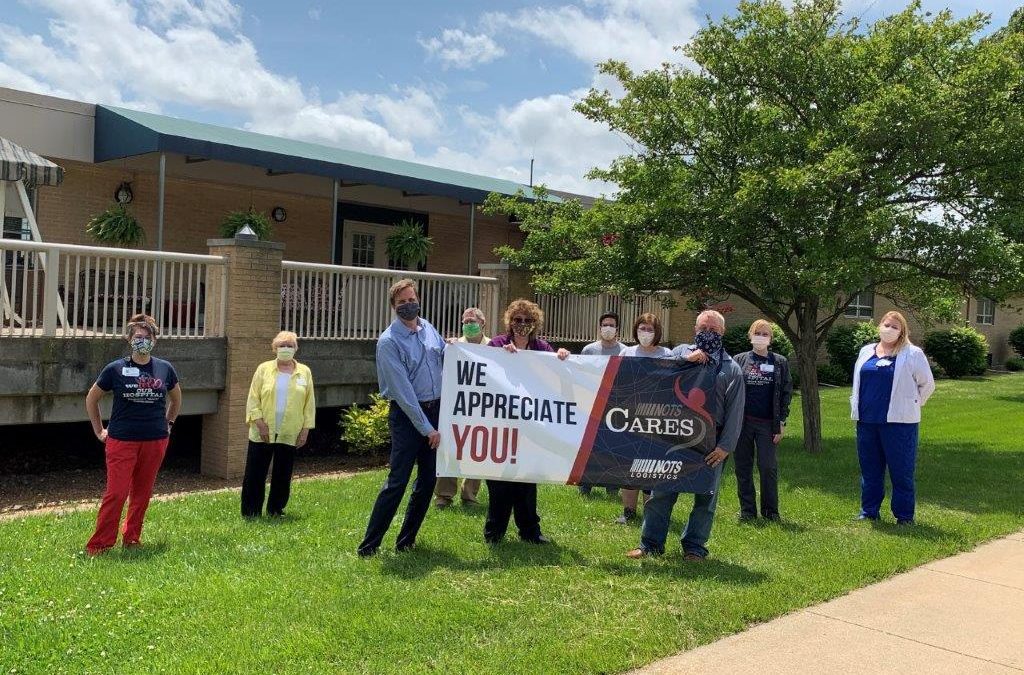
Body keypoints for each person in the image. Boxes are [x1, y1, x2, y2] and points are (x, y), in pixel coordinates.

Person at [627, 309, 744, 561]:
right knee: (661, 493)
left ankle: (694, 547)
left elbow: (736, 411)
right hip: (674, 438)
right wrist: (685, 363)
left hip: (710, 445)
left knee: (705, 499)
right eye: (703, 329)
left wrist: (725, 447)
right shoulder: (678, 353)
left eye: (713, 330)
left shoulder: (731, 368)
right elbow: (658, 380)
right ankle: (650, 545)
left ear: (722, 333)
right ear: (695, 330)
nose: (708, 334)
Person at [358, 279, 445, 556]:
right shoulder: (388, 342)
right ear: (394, 307)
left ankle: (406, 541)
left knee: (428, 481)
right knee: (398, 481)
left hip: (436, 410)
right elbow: (403, 393)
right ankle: (369, 546)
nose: (409, 305)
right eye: (402, 302)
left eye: (412, 299)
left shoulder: (429, 328)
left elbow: (447, 357)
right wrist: (427, 428)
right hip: (408, 417)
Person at [84, 314, 181, 556]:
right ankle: (100, 544)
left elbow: (176, 399)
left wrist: (168, 423)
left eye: (148, 337)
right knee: (116, 493)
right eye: (138, 337)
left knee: (142, 493)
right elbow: (92, 399)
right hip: (121, 440)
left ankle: (132, 537)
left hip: (155, 440)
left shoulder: (165, 369)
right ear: (129, 339)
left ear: (155, 341)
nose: (143, 341)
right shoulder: (116, 369)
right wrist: (98, 430)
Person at [485, 298, 570, 544]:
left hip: (531, 425)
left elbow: (558, 372)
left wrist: (562, 356)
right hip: (502, 422)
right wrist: (502, 356)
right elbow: (484, 367)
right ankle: (495, 531)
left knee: (527, 480)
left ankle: (530, 531)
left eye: (528, 320)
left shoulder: (542, 348)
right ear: (509, 321)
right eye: (518, 319)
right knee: (499, 479)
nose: (522, 324)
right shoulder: (497, 344)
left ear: (536, 323)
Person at [851, 310, 935, 525]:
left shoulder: (912, 353)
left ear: (902, 332)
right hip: (867, 421)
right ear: (879, 326)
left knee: (901, 472)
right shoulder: (866, 351)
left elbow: (927, 385)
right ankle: (869, 511)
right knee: (870, 470)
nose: (889, 330)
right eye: (886, 325)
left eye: (895, 327)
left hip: (900, 424)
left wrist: (912, 404)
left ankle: (904, 516)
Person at [241, 331, 316, 518]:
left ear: (296, 349)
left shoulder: (304, 372)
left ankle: (276, 509)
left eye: (290, 345)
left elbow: (309, 403)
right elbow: (253, 398)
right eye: (282, 345)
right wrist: (259, 422)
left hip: (290, 431)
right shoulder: (263, 369)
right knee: (255, 472)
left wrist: (305, 429)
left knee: (283, 473)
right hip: (262, 430)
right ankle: (251, 511)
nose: (286, 349)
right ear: (274, 348)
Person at [733, 320, 793, 522]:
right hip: (742, 423)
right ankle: (747, 511)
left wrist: (781, 422)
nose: (761, 336)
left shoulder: (780, 362)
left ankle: (770, 512)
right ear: (750, 335)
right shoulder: (739, 360)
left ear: (771, 339)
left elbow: (786, 393)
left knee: (768, 467)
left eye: (765, 334)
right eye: (757, 333)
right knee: (743, 466)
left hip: (768, 423)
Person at [615, 312, 672, 524]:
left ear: (657, 332)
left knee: (652, 464)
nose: (645, 333)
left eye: (650, 329)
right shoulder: (626, 353)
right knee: (629, 463)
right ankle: (628, 511)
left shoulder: (667, 354)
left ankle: (651, 511)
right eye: (642, 328)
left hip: (657, 418)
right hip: (630, 417)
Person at [434, 307, 488, 508]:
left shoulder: (494, 347)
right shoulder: (454, 346)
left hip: (482, 407)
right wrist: (449, 347)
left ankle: (470, 495)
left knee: (479, 449)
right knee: (451, 447)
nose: (468, 325)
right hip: (456, 406)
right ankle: (443, 495)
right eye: (465, 322)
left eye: (472, 321)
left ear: (483, 323)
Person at [578, 312, 626, 497]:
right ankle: (585, 486)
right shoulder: (588, 350)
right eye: (605, 324)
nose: (608, 328)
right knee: (589, 446)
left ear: (617, 329)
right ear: (599, 328)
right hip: (591, 404)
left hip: (614, 406)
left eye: (611, 325)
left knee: (612, 447)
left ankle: (612, 487)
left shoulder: (624, 351)